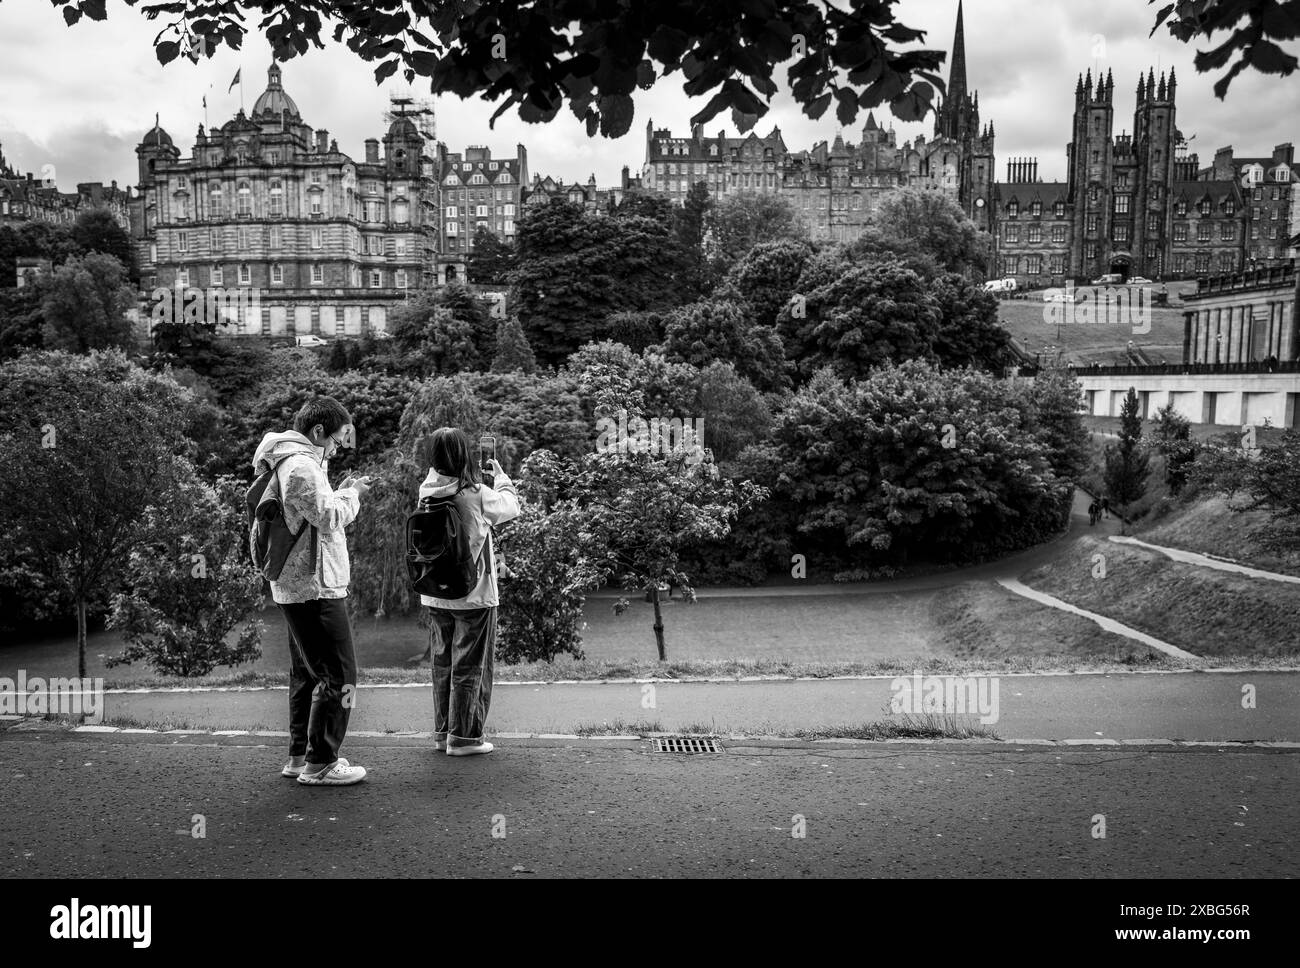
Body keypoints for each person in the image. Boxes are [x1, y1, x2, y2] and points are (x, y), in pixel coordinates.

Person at [252, 396, 371, 786]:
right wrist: (352, 495)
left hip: (297, 585)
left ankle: (300, 755)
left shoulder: (292, 460)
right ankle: (321, 762)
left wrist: (338, 489)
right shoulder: (301, 466)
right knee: (340, 675)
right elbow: (328, 516)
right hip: (314, 586)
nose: (338, 448)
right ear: (318, 432)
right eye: (336, 440)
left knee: (306, 672)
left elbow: (312, 511)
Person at [418, 428, 520, 756]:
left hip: (434, 592)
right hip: (472, 593)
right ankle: (464, 738)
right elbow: (511, 507)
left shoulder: (426, 490)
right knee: (470, 666)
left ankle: (442, 733)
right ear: (465, 455)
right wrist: (501, 478)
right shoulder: (475, 493)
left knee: (442, 663)